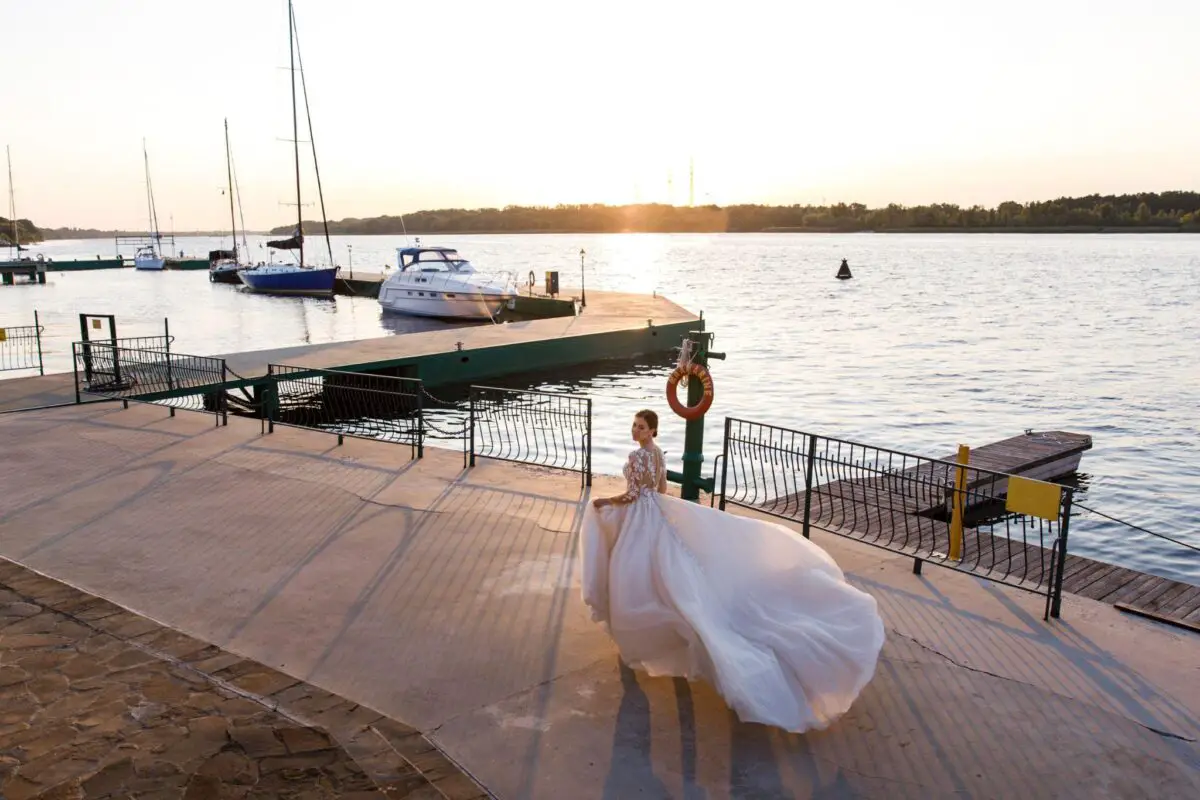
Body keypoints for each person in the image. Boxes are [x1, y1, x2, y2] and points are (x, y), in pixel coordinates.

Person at [581, 409, 885, 734]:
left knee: (639, 575)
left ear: (651, 430)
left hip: (641, 519)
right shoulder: (657, 454)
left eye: (641, 427)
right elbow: (661, 489)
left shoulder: (638, 455)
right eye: (634, 425)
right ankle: (673, 630)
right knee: (668, 574)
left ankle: (656, 635)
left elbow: (632, 494)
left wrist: (605, 502)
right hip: (655, 514)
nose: (635, 430)